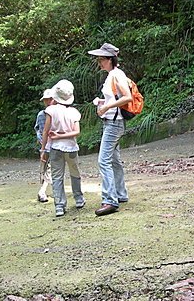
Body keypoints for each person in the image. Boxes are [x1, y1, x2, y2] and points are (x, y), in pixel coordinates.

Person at [88, 43, 132, 216]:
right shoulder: (112, 75)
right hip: (112, 121)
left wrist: (106, 108)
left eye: (102, 59)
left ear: (110, 59)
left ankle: (109, 200)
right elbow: (116, 97)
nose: (99, 62)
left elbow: (127, 97)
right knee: (114, 160)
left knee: (103, 160)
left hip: (114, 123)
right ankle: (121, 194)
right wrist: (102, 102)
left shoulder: (116, 74)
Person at [40, 79, 85, 217]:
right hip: (71, 148)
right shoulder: (74, 112)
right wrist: (64, 135)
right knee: (75, 173)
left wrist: (43, 150)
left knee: (57, 176)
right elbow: (76, 132)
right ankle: (78, 199)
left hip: (55, 149)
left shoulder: (50, 110)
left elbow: (46, 131)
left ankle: (59, 206)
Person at [34, 89, 54, 203]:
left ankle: (43, 191)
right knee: (45, 169)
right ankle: (42, 191)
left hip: (55, 145)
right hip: (46, 146)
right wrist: (41, 142)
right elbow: (39, 129)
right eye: (46, 100)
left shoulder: (55, 113)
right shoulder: (42, 115)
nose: (48, 101)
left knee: (51, 169)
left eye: (49, 99)